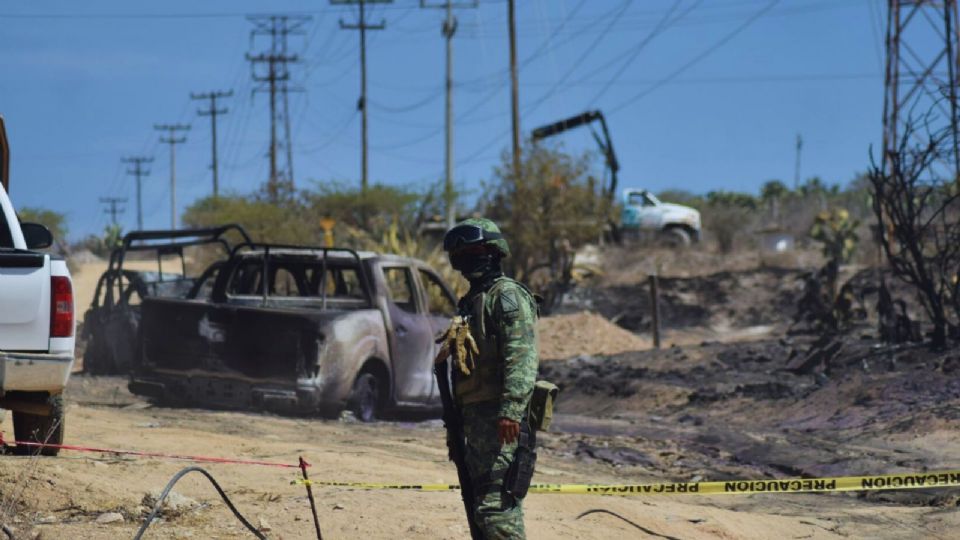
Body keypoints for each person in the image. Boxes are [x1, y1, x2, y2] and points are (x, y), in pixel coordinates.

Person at [441, 217, 539, 539]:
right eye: (462, 253)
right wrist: (455, 429)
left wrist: (510, 410)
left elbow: (521, 356)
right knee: (480, 507)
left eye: (475, 250)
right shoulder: (471, 302)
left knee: (497, 510)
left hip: (500, 421)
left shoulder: (506, 296)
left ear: (494, 251)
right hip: (474, 421)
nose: (468, 258)